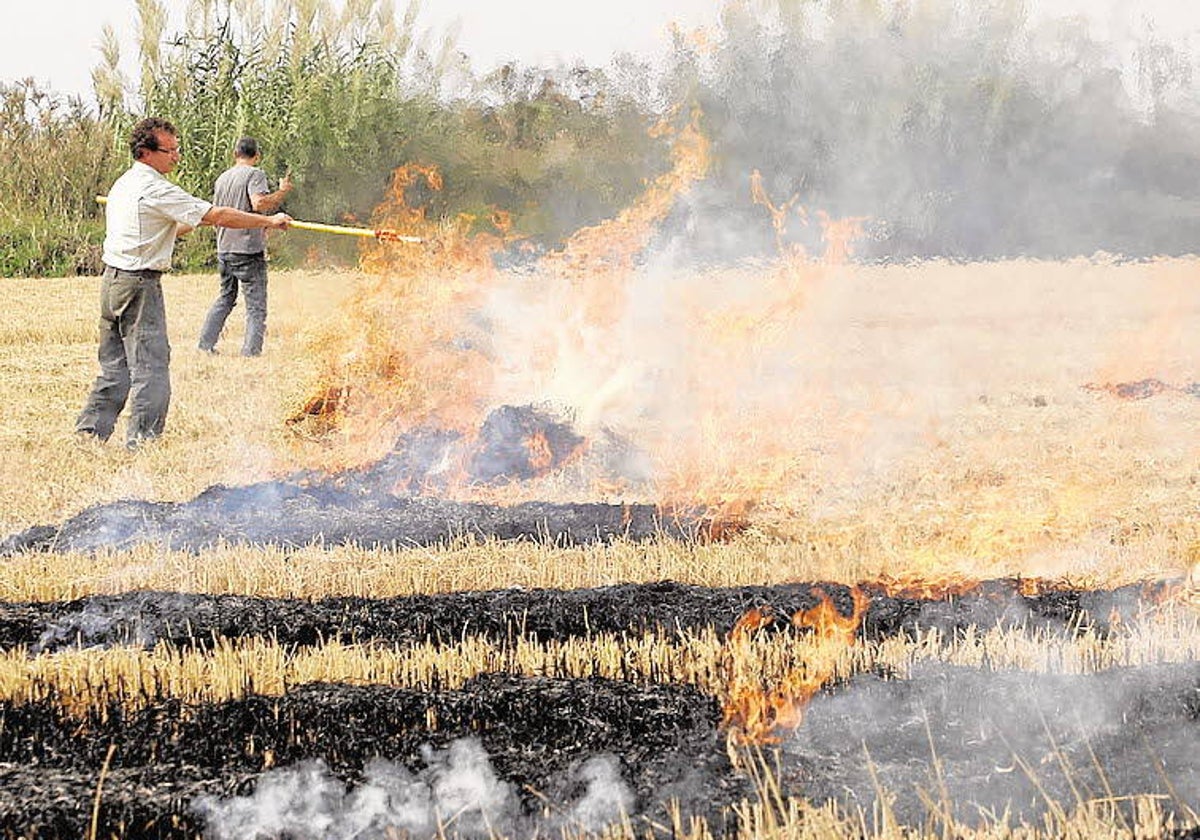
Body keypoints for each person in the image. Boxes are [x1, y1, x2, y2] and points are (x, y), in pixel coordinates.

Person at [75, 117, 292, 450]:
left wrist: (200, 217)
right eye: (170, 150)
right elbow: (218, 215)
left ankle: (90, 433)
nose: (176, 157)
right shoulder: (154, 187)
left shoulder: (126, 183)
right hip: (138, 286)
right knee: (151, 366)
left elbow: (168, 228)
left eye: (178, 149)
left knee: (115, 367)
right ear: (146, 153)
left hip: (113, 281)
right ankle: (143, 442)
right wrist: (269, 221)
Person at [198, 137, 294, 356]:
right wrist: (282, 192)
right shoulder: (255, 174)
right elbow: (258, 203)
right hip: (248, 249)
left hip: (224, 247)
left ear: (235, 154)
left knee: (225, 298)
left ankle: (205, 345)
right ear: (256, 156)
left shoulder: (222, 178)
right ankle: (251, 353)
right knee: (255, 306)